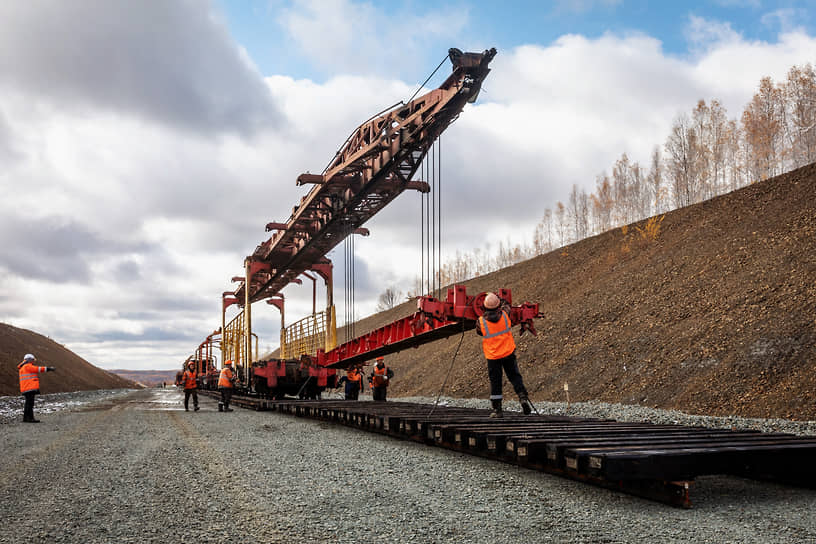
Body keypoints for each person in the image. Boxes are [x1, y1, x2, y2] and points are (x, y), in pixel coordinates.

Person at [476, 292, 532, 418]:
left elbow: (479, 332)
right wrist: (497, 297)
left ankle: (498, 410)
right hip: (508, 352)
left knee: (495, 382)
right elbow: (506, 305)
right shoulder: (506, 315)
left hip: (493, 357)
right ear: (498, 306)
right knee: (514, 376)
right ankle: (523, 398)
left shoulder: (480, 322)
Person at [17, 353, 56, 423]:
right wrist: (49, 369)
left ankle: (26, 418)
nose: (33, 361)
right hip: (29, 388)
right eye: (32, 360)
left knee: (28, 403)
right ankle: (30, 418)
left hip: (26, 388)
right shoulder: (27, 366)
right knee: (30, 404)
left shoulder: (23, 367)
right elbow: (38, 369)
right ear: (29, 360)